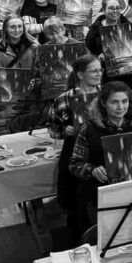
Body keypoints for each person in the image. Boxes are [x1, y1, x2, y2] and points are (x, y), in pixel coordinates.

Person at [69, 81, 132, 237]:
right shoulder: (89, 129)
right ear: (103, 104)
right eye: (114, 102)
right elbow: (74, 164)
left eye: (124, 101)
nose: (120, 107)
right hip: (102, 197)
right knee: (109, 238)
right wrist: (92, 170)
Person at [47, 54, 103, 246]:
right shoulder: (65, 99)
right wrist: (64, 130)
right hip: (74, 153)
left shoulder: (106, 95)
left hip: (100, 153)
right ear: (80, 74)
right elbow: (52, 127)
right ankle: (80, 243)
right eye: (94, 71)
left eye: (100, 70)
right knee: (76, 204)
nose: (99, 74)